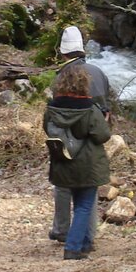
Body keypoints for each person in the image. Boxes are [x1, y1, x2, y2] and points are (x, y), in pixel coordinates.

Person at [49, 25, 113, 245]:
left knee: (64, 187)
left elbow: (52, 118)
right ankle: (88, 235)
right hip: (92, 144)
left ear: (63, 51)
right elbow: (107, 111)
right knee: (88, 191)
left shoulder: (59, 77)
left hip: (65, 143)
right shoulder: (98, 72)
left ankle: (62, 230)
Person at [43, 65, 111, 260]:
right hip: (88, 165)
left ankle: (85, 243)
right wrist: (104, 120)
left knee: (79, 203)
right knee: (84, 205)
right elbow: (102, 136)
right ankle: (73, 247)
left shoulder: (52, 108)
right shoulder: (90, 109)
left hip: (63, 162)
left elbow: (48, 130)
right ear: (84, 84)